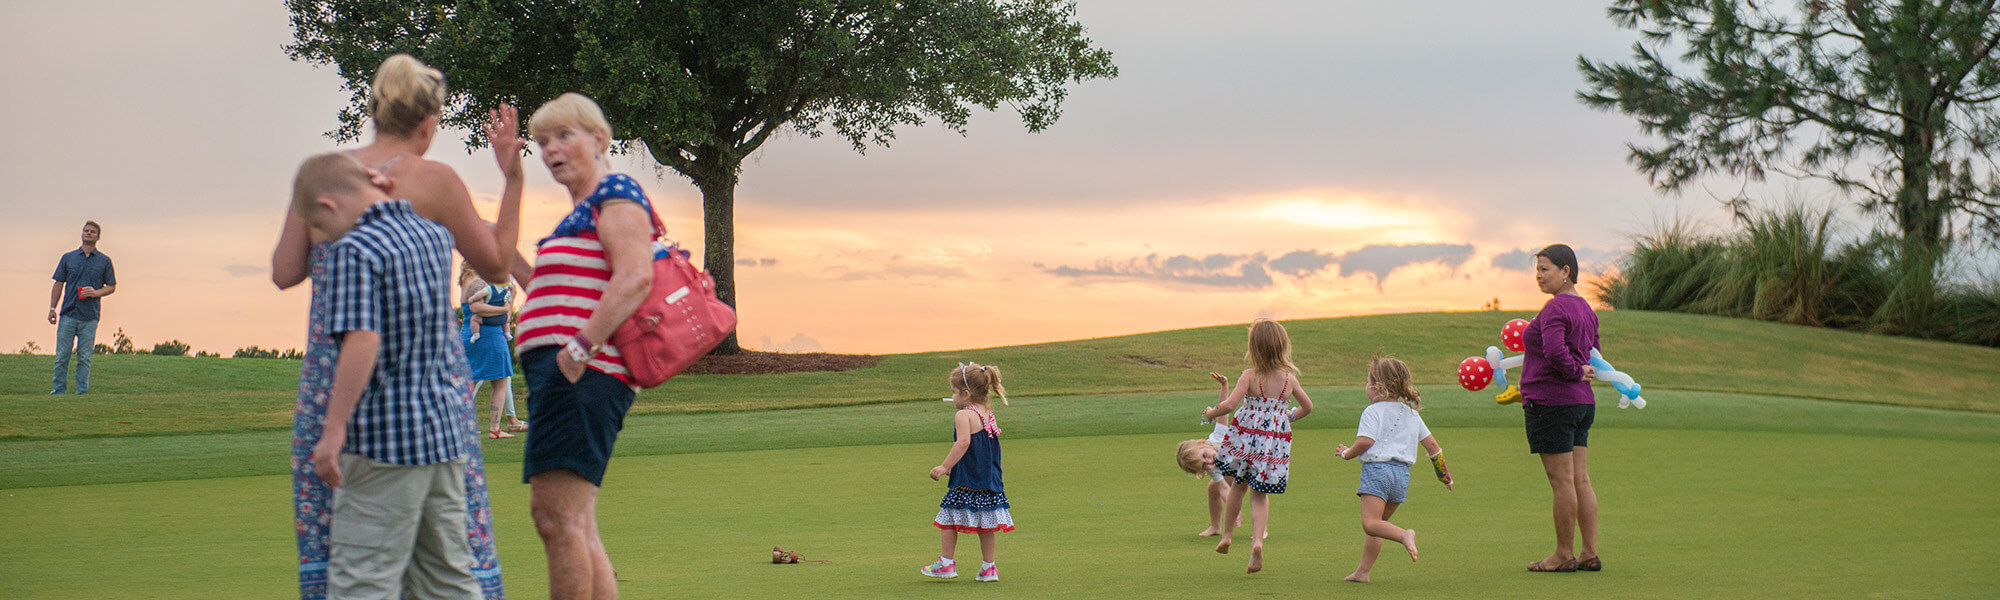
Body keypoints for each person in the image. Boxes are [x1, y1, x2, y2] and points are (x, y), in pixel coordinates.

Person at [272, 53, 520, 599]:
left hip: (338, 389)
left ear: (373, 109)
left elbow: (284, 272)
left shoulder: (325, 177)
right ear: (429, 123)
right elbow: (499, 264)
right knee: (448, 566)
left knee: (357, 565)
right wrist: (514, 177)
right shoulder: (435, 185)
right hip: (434, 405)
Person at [292, 152, 480, 598]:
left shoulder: (353, 250)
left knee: (362, 582)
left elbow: (363, 339)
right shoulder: (434, 236)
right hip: (443, 435)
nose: (324, 236)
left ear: (330, 205)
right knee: (449, 580)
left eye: (319, 224)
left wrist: (333, 429)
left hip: (383, 442)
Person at [508, 92, 657, 600]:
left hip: (583, 374)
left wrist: (576, 352)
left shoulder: (615, 192)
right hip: (568, 375)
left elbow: (636, 275)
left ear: (598, 139)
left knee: (556, 518)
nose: (551, 149)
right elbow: (550, 294)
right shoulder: (576, 217)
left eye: (563, 135)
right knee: (576, 522)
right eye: (542, 141)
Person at [1200, 318, 1314, 574]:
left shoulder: (1249, 376)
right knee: (1259, 494)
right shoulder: (1289, 381)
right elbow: (1307, 407)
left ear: (1253, 348)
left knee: (1237, 487)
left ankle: (1227, 535)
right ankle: (1258, 542)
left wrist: (1209, 413)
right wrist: (1287, 417)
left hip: (1245, 441)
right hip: (1272, 444)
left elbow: (1229, 405)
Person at [1519, 243, 1603, 573]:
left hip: (1553, 403)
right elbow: (1594, 353)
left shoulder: (1554, 309)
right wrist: (1580, 371)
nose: (1538, 276)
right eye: (1536, 270)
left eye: (1545, 269)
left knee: (1562, 482)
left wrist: (1572, 371)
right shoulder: (1588, 310)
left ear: (1566, 271)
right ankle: (1589, 552)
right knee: (1580, 479)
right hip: (1581, 404)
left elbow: (1555, 353)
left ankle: (1564, 554)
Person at [1335, 354, 1454, 583]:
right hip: (1401, 476)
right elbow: (1433, 447)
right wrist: (1444, 476)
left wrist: (1347, 453)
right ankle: (1363, 571)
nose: (1366, 387)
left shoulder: (1372, 411)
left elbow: (1366, 441)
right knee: (1378, 526)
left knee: (1370, 523)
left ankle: (1404, 535)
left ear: (1377, 386)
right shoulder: (1412, 414)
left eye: (1368, 382)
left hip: (1378, 472)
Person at [920, 362, 1013, 583]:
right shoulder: (987, 412)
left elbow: (962, 443)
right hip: (988, 479)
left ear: (965, 393)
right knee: (987, 524)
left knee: (948, 519)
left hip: (967, 479)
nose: (952, 397)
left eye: (953, 392)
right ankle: (989, 568)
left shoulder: (963, 415)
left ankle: (946, 563)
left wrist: (945, 466)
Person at [49, 220, 116, 395]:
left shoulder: (104, 261)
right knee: (62, 357)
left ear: (98, 237)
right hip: (68, 314)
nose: (88, 233)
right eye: (86, 231)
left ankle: (82, 393)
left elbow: (111, 286)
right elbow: (58, 284)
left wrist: (95, 293)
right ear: (81, 233)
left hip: (90, 316)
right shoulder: (68, 258)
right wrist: (52, 309)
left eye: (93, 232)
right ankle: (58, 392)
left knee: (84, 358)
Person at [459, 264, 526, 438]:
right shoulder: (478, 282)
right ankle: (495, 429)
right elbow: (478, 308)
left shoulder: (467, 280)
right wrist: (507, 305)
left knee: (470, 381)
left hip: (471, 334)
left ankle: (461, 426)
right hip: (489, 337)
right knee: (500, 382)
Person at [1177, 374, 1243, 537]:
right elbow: (1224, 489)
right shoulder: (1213, 469)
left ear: (1203, 443)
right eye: (1204, 466)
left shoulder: (1217, 438)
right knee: (1214, 488)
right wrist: (1234, 508)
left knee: (1257, 492)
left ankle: (1261, 529)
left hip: (1248, 462)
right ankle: (1215, 527)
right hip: (1234, 470)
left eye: (1205, 456)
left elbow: (1223, 410)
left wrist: (1224, 386)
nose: (1209, 462)